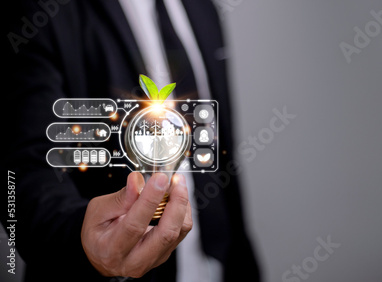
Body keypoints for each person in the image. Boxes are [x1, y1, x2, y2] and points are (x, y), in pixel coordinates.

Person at [2, 0, 260, 281]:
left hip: (216, 267)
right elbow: (22, 173)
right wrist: (85, 240)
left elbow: (223, 154)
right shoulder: (42, 11)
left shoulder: (202, 7)